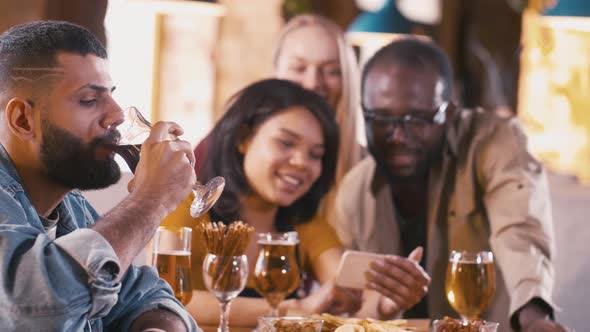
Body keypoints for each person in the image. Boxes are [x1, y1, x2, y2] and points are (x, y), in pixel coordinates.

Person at [331, 38, 567, 331]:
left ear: (450, 113)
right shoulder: (354, 192)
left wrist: (534, 319)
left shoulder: (495, 144)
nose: (398, 136)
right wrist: (378, 306)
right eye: (380, 119)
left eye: (418, 119)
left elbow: (520, 231)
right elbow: (358, 310)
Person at [162, 78, 429, 326]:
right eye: (286, 143)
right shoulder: (189, 205)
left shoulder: (305, 224)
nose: (302, 162)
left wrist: (384, 305)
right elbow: (167, 298)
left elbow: (349, 294)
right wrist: (292, 309)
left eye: (316, 154)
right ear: (244, 138)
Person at [0, 21, 199, 331]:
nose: (117, 114)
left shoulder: (73, 208)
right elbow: (35, 308)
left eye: (111, 95)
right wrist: (150, 200)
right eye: (89, 100)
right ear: (23, 119)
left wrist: (159, 327)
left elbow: (142, 295)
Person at [194, 15, 363, 214]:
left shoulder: (365, 166)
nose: (313, 82)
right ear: (275, 70)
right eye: (299, 67)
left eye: (332, 71)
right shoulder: (219, 146)